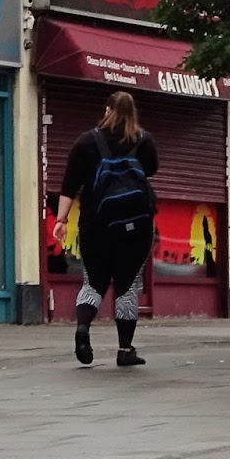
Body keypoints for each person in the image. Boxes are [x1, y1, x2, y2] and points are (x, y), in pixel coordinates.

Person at [52, 91, 159, 368]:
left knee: (94, 282)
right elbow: (151, 170)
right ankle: (125, 350)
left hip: (95, 223)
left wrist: (60, 220)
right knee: (127, 285)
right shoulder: (143, 141)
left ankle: (83, 329)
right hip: (136, 226)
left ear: (107, 109)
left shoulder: (86, 142)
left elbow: (69, 185)